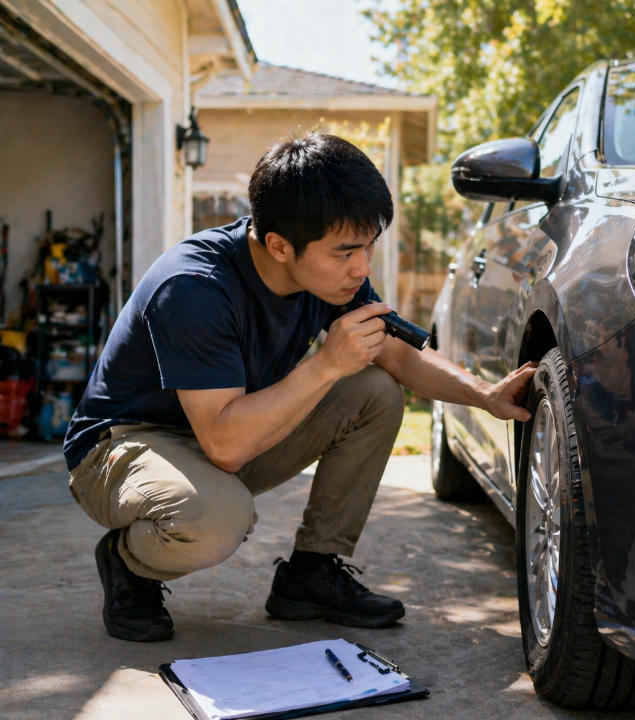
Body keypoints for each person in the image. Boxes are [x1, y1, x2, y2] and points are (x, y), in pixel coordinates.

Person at [63, 133, 535, 642]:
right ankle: (129, 564)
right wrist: (325, 366)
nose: (363, 267)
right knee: (218, 517)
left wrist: (486, 395)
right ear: (280, 246)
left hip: (221, 431)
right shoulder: (194, 286)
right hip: (122, 447)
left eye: (369, 246)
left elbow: (397, 352)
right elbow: (225, 446)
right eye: (346, 252)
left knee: (375, 389)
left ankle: (310, 574)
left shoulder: (329, 279)